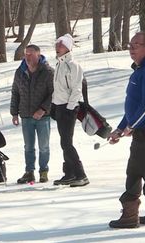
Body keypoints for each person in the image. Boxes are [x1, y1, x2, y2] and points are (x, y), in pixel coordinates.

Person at [108, 32, 145, 229]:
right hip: (144, 128)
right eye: (130, 44)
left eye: (137, 44)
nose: (132, 48)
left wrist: (132, 127)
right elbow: (133, 107)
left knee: (135, 169)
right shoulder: (139, 70)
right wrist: (120, 128)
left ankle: (129, 215)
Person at [10, 44, 54, 184]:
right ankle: (29, 172)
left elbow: (54, 94)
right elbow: (15, 93)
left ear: (38, 55)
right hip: (26, 116)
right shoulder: (20, 72)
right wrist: (14, 113)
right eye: (26, 54)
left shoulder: (48, 72)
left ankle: (43, 171)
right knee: (28, 147)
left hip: (43, 117)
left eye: (30, 54)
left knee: (44, 146)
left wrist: (43, 109)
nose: (27, 57)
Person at [51, 34, 89, 187]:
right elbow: (58, 88)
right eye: (57, 44)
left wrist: (70, 107)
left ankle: (81, 174)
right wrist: (54, 105)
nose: (57, 46)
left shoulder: (73, 65)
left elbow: (76, 89)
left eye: (60, 44)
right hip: (59, 106)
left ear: (67, 47)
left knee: (67, 143)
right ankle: (69, 172)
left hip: (69, 107)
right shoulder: (59, 64)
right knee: (64, 142)